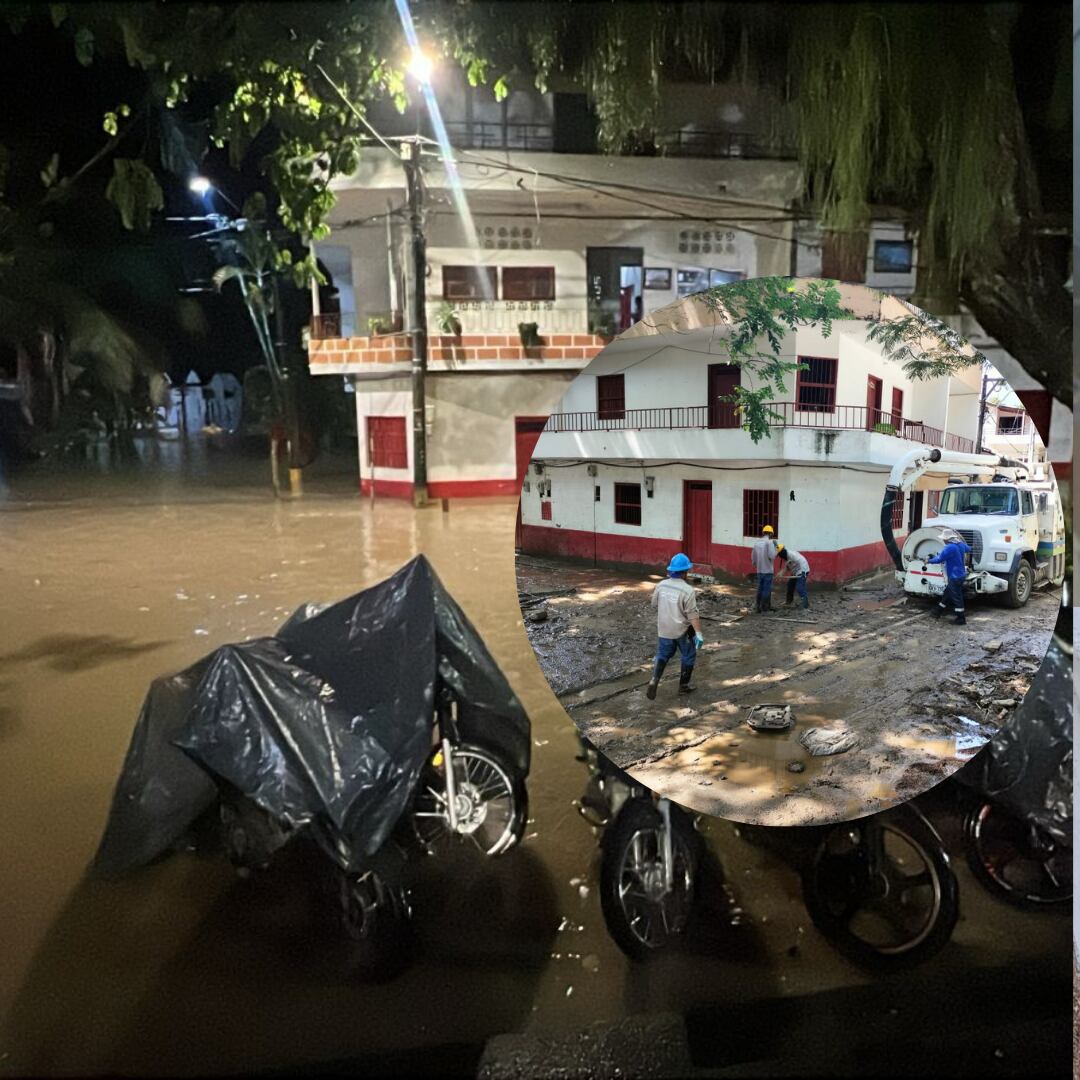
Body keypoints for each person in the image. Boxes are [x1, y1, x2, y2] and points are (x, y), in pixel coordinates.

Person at [646, 553, 704, 700]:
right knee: (688, 656)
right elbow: (692, 615)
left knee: (663, 655)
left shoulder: (661, 585)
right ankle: (683, 687)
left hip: (664, 629)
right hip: (682, 631)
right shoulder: (688, 590)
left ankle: (654, 680)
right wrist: (698, 633)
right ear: (685, 572)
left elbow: (654, 604)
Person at [926, 536, 972, 625]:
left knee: (957, 597)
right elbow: (968, 549)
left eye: (944, 538)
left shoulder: (949, 547)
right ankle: (937, 611)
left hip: (955, 576)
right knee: (947, 593)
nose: (943, 540)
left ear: (947, 539)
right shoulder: (960, 544)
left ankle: (961, 619)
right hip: (961, 574)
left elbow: (939, 559)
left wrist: (929, 561)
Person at [750, 525, 779, 613]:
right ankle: (765, 608)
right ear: (771, 534)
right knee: (767, 589)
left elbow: (753, 559)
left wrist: (758, 565)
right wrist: (776, 548)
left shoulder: (757, 543)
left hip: (759, 570)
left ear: (763, 533)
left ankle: (758, 607)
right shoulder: (769, 543)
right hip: (768, 570)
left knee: (760, 588)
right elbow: (772, 556)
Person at [777, 544, 810, 609]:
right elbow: (787, 567)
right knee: (790, 585)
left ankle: (805, 604)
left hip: (803, 570)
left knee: (800, 587)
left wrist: (802, 574)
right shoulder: (786, 557)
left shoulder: (792, 555)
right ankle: (789, 602)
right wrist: (781, 573)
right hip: (796, 572)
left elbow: (802, 561)